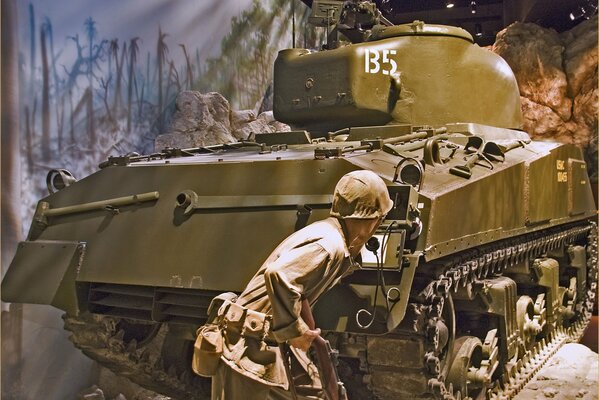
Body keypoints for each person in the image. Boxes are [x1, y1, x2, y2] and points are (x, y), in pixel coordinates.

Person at [211, 170, 394, 400]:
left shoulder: (333, 237)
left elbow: (300, 289)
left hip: (270, 338)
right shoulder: (329, 244)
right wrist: (296, 331)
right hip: (249, 343)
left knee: (318, 393)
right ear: (373, 220)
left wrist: (307, 329)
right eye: (381, 218)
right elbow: (279, 275)